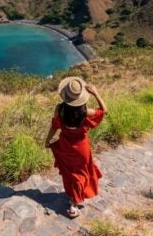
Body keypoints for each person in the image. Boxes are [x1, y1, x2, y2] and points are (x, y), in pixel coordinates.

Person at [44, 76, 107, 218]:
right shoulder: (85, 112)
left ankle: (73, 200)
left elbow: (54, 126)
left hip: (65, 146)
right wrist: (96, 94)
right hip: (82, 148)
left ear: (65, 95)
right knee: (81, 174)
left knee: (71, 173)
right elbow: (104, 111)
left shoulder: (59, 109)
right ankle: (74, 203)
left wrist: (47, 140)